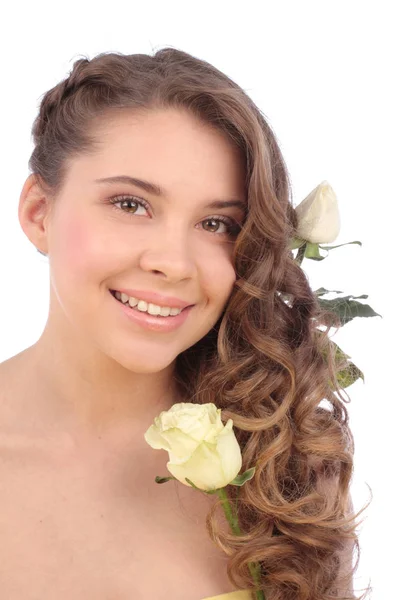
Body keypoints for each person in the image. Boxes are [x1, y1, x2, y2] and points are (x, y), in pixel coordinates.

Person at [0, 47, 367, 600]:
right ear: (38, 212)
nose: (173, 262)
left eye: (217, 223)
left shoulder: (282, 465)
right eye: (130, 204)